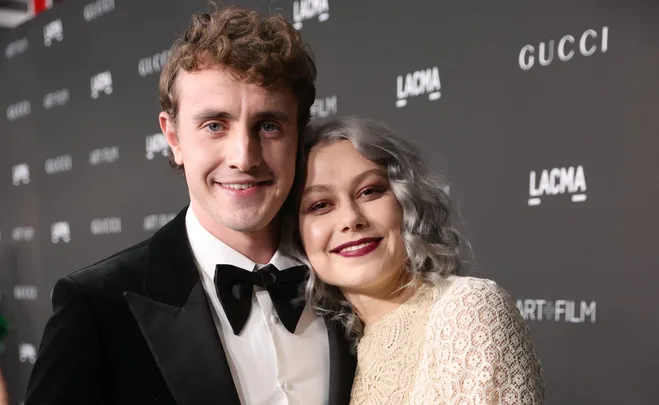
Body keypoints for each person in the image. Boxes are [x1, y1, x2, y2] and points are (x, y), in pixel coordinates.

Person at [25, 6, 355, 405]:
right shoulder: (96, 308)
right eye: (215, 125)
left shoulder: (349, 283)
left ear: (298, 135)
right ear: (174, 138)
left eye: (268, 125)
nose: (244, 157)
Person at [286, 116, 545, 404]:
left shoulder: (469, 309)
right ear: (295, 233)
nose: (351, 219)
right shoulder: (326, 349)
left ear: (404, 202)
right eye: (320, 205)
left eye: (369, 191)